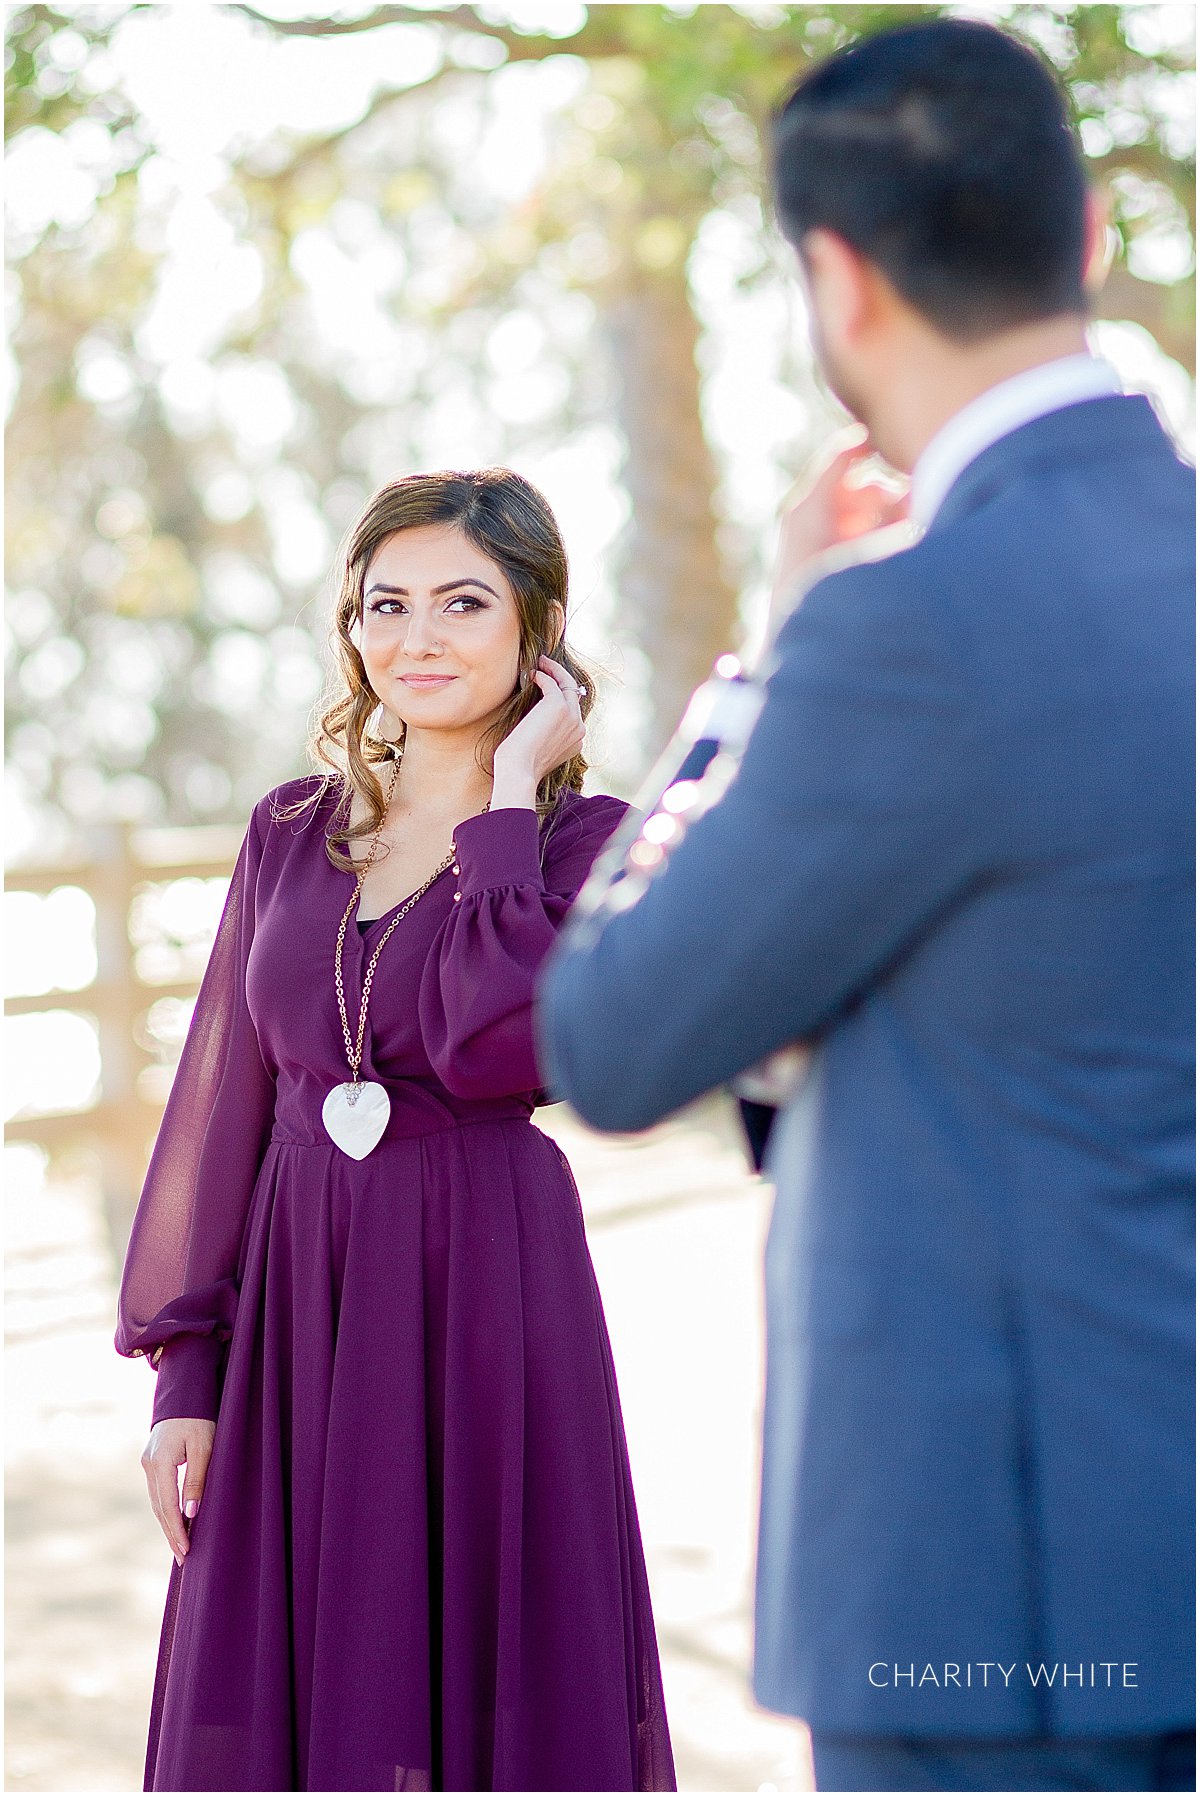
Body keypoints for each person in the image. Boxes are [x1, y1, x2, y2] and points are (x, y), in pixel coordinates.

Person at [535, 19, 1194, 1795]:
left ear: (835, 278)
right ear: (1084, 238)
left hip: (1003, 1596)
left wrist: (756, 678)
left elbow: (609, 1035)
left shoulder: (906, 629)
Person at [114, 467, 676, 1794]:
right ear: (351, 628)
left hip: (491, 1297)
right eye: (387, 605)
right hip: (298, 1317)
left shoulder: (589, 842)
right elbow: (223, 1109)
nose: (417, 638)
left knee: (501, 1685)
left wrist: (499, 811)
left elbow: (507, 1046)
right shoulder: (288, 834)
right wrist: (186, 1383)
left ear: (538, 632)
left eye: (463, 603)